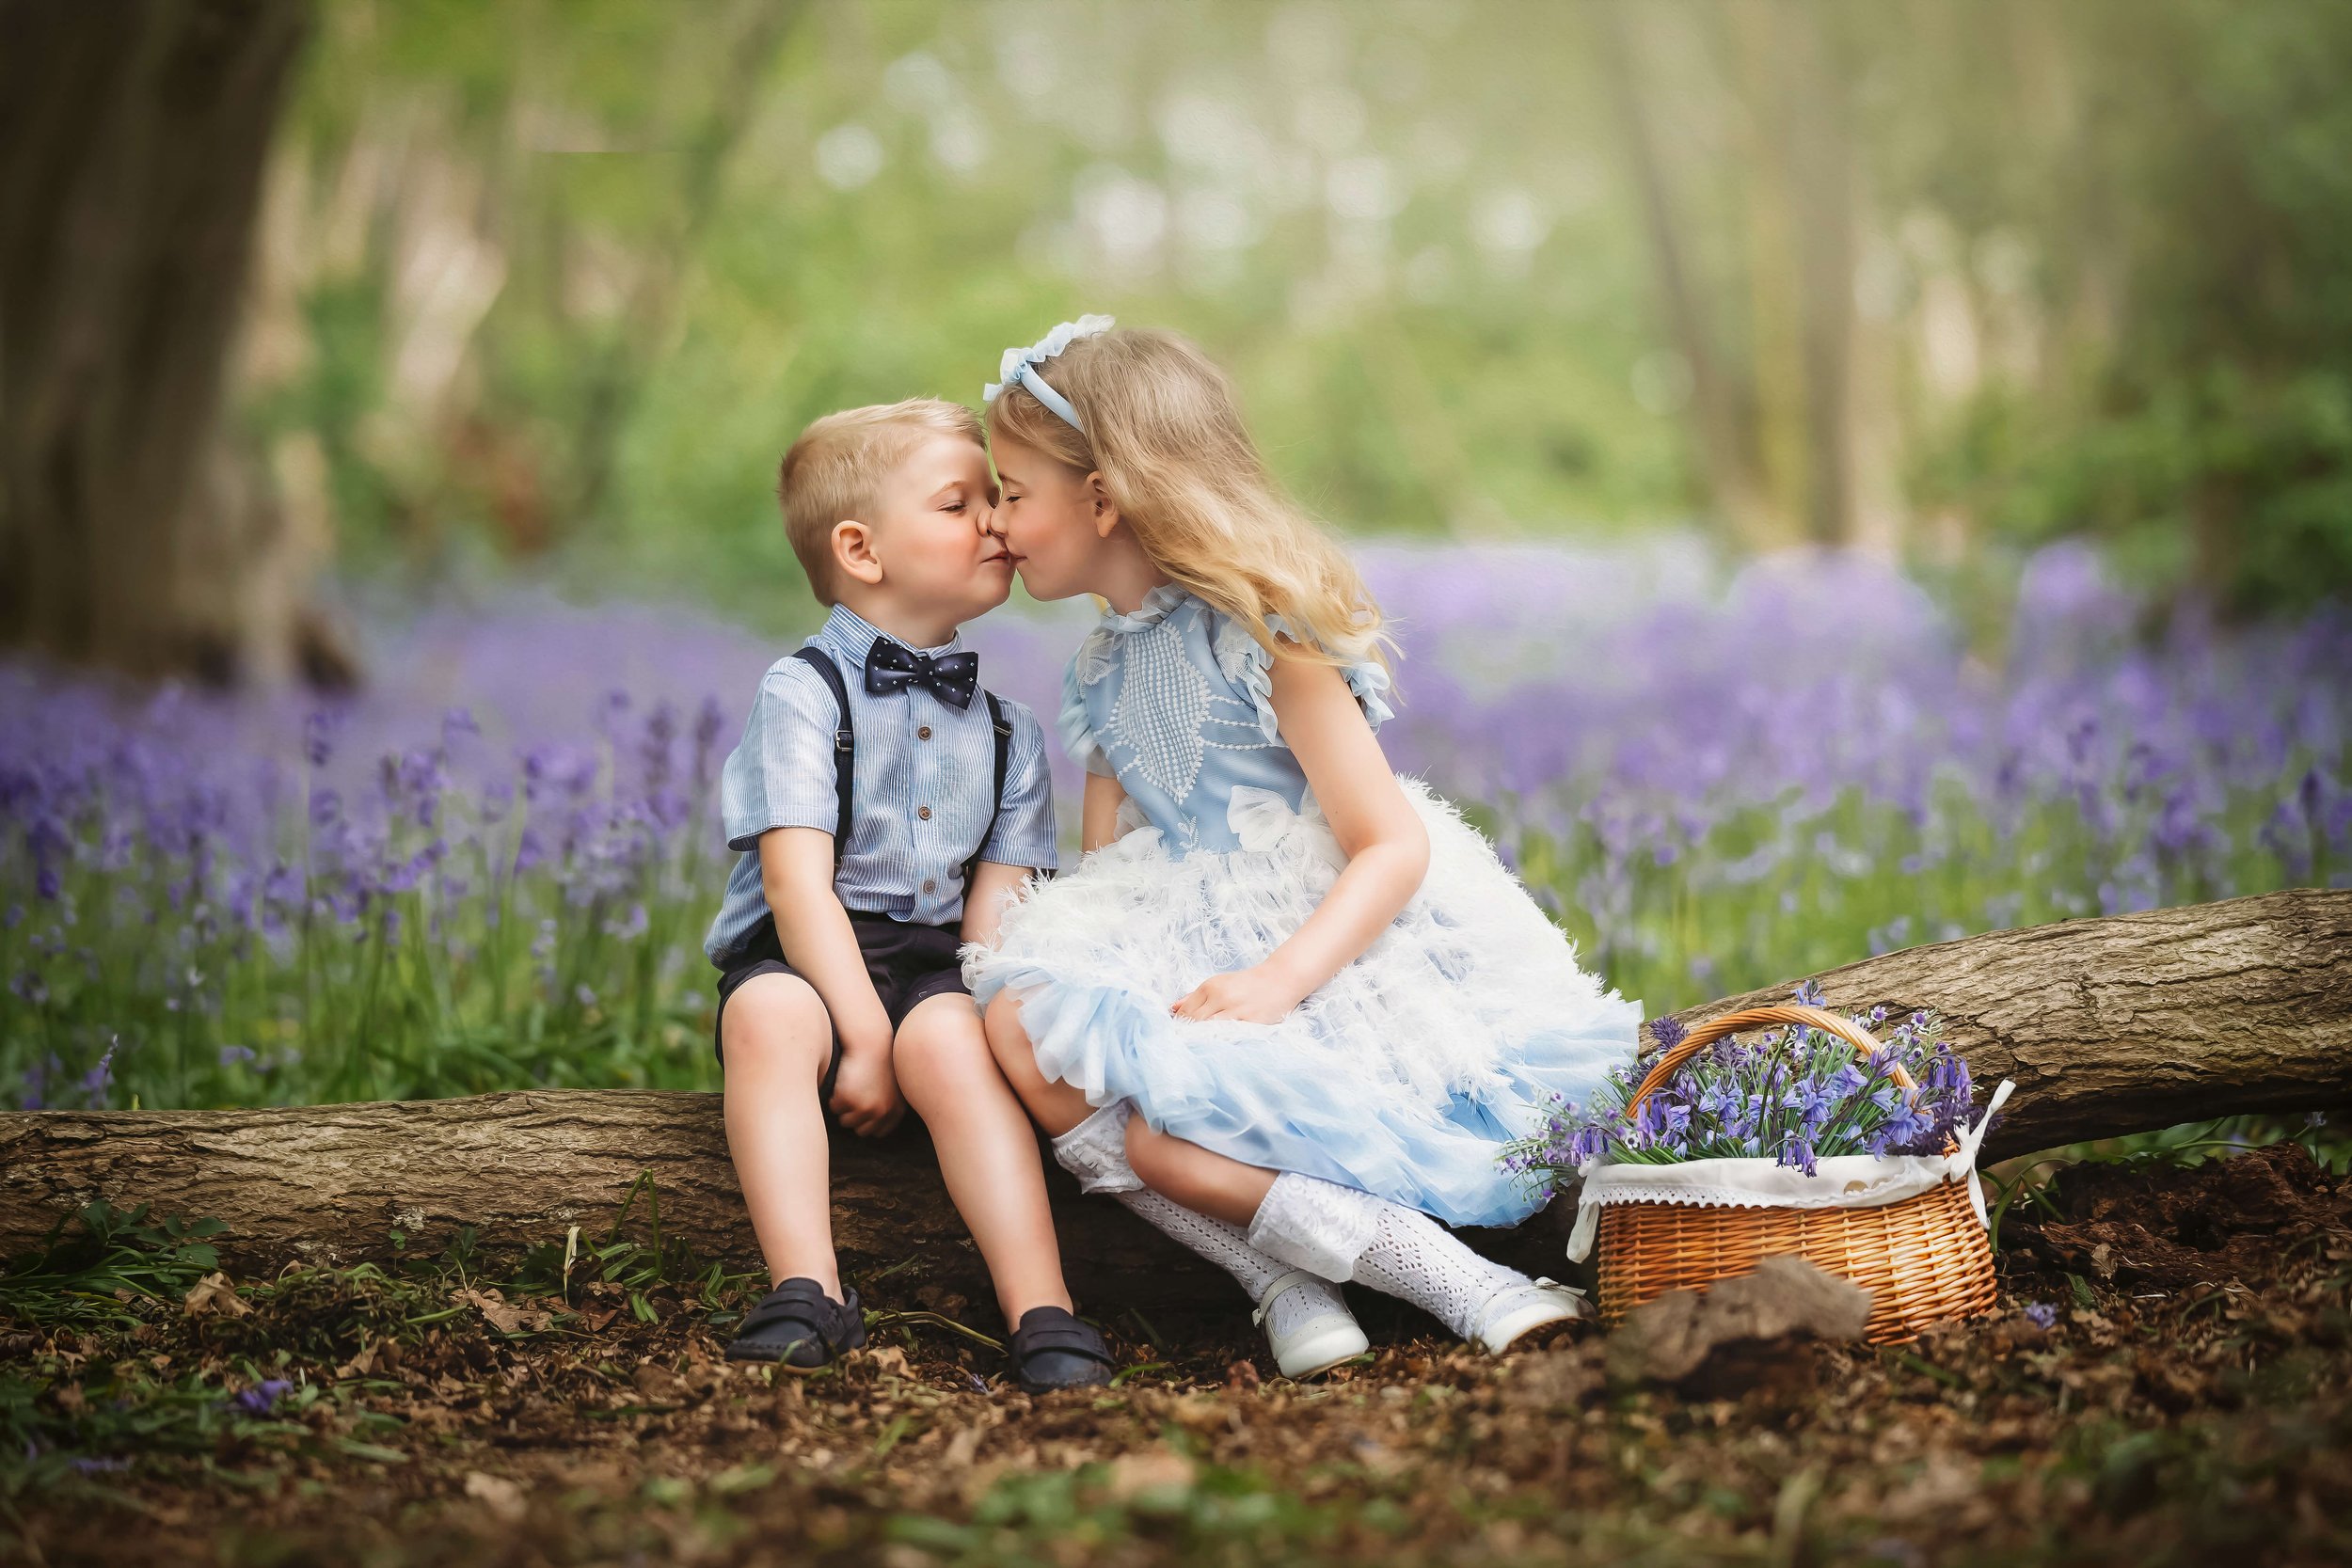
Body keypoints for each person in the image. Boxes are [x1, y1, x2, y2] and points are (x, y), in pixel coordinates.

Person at [966, 319, 1645, 1362]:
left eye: (1013, 490)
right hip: (1180, 928)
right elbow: (1104, 877)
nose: (999, 521)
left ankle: (1459, 1278)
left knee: (1167, 1146)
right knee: (1019, 1025)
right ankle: (1278, 1276)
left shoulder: (1266, 631)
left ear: (1102, 496)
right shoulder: (1098, 672)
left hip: (1323, 944)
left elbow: (1388, 842)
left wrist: (1277, 981)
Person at [705, 397, 1110, 1392]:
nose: (995, 522)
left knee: (954, 1040)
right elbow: (797, 885)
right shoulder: (801, 690)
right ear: (861, 547)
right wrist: (859, 1034)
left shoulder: (1011, 730)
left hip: (935, 965)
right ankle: (806, 1286)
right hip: (810, 953)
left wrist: (954, 1023)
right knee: (764, 1015)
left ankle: (1042, 1307)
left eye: (996, 499)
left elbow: (994, 926)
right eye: (956, 501)